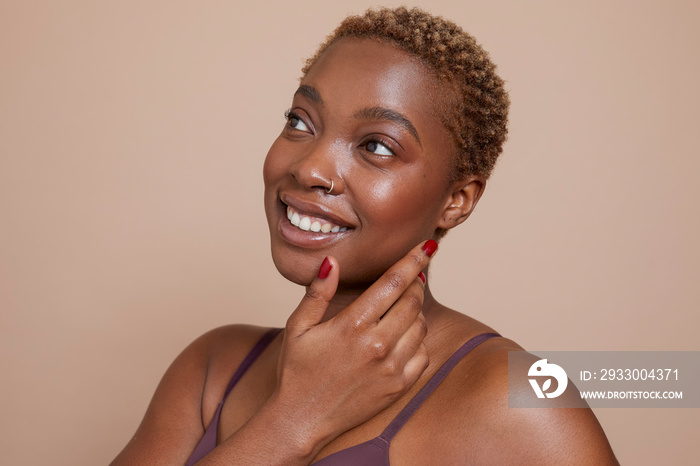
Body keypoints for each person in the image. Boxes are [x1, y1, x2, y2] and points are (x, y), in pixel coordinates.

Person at [111, 7, 617, 465]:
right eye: (300, 121)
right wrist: (293, 421)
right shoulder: (214, 370)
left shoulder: (522, 403)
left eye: (376, 145)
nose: (310, 167)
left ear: (456, 200)